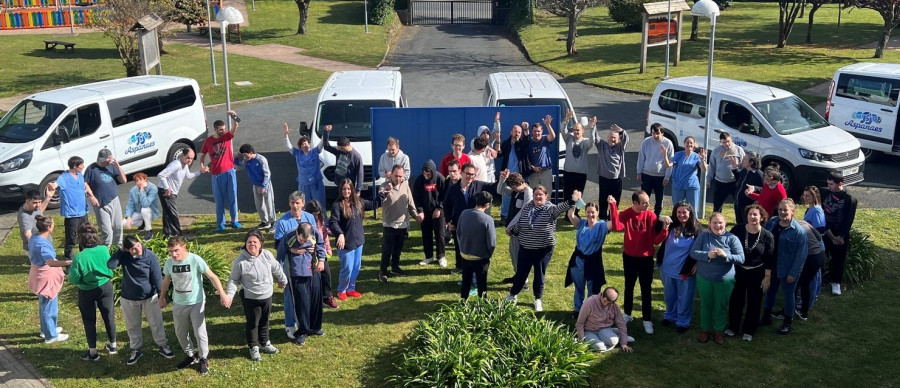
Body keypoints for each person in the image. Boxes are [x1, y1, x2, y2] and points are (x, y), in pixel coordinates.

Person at [160, 236, 231, 375]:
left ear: (184, 247)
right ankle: (191, 355)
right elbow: (166, 280)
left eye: (176, 250)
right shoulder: (169, 263)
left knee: (199, 332)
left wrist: (222, 294)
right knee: (180, 332)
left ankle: (203, 358)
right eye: (171, 251)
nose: (174, 254)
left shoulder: (195, 259)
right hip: (179, 302)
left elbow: (212, 276)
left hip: (196, 302)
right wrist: (162, 297)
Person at [505, 186, 575, 312]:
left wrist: (572, 201)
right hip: (526, 247)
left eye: (540, 194)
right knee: (521, 273)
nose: (538, 197)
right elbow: (521, 222)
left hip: (543, 249)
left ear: (546, 196)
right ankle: (513, 294)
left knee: (539, 274)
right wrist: (513, 230)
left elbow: (561, 208)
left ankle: (538, 299)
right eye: (536, 194)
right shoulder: (528, 207)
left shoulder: (550, 209)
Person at [108, 235, 175, 365]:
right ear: (127, 250)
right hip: (129, 298)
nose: (138, 250)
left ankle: (162, 345)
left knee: (156, 323)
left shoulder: (150, 256)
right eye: (133, 249)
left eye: (138, 245)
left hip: (150, 297)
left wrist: (162, 296)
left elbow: (156, 277)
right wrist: (121, 251)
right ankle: (136, 349)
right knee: (132, 326)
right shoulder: (124, 256)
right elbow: (111, 265)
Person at [608, 190, 667, 334]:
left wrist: (665, 229)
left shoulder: (650, 215)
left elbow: (655, 240)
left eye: (648, 201)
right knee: (629, 286)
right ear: (635, 203)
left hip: (646, 258)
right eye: (645, 202)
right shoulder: (627, 214)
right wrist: (613, 206)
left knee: (646, 289)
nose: (648, 204)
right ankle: (627, 314)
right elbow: (617, 226)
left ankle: (647, 319)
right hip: (629, 257)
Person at [226, 230, 287, 360]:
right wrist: (229, 296)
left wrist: (282, 280)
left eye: (255, 242)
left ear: (261, 244)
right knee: (253, 323)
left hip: (267, 295)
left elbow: (276, 268)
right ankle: (253, 347)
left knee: (265, 321)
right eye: (249, 242)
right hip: (250, 298)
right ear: (245, 244)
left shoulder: (267, 255)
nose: (252, 244)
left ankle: (265, 343)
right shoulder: (239, 262)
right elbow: (233, 280)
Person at [272, 191, 326, 338]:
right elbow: (279, 246)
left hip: (309, 265)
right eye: (292, 203)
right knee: (291, 297)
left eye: (297, 203)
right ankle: (290, 324)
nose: (295, 206)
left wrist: (318, 254)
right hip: (292, 266)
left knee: (310, 295)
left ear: (303, 203)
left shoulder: (309, 218)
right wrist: (292, 249)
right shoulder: (283, 222)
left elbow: (315, 238)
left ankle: (310, 325)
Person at [690, 213, 745, 344]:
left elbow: (741, 258)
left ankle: (718, 331)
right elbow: (693, 252)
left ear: (725, 224)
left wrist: (726, 256)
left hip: (724, 279)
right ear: (709, 224)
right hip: (705, 278)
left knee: (721, 306)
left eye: (720, 223)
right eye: (714, 223)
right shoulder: (704, 236)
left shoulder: (732, 238)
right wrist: (707, 255)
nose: (717, 225)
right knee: (706, 305)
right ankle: (705, 330)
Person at [726, 204, 775, 342]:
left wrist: (767, 277)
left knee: (754, 301)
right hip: (739, 271)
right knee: (736, 299)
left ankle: (749, 329)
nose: (752, 217)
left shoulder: (767, 236)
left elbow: (770, 259)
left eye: (755, 215)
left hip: (757, 273)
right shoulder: (737, 230)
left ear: (761, 217)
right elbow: (728, 247)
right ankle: (733, 327)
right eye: (750, 214)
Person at [69, 222, 117, 361]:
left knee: (89, 320)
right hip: (105, 287)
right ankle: (113, 345)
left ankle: (93, 352)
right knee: (109, 315)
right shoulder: (104, 250)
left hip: (86, 291)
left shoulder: (79, 257)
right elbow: (110, 267)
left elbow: (74, 279)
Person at [761, 199, 808, 335]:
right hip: (772, 266)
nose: (782, 212)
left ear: (792, 212)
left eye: (785, 210)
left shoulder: (799, 232)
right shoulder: (773, 222)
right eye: (780, 209)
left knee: (788, 296)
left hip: (787, 270)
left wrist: (793, 273)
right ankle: (766, 316)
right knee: (770, 291)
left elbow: (801, 255)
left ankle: (788, 322)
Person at [330, 179, 381, 301]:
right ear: (340, 190)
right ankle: (341, 290)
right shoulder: (337, 205)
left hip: (358, 242)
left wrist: (383, 194)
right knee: (347, 268)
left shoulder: (358, 202)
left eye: (348, 188)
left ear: (352, 189)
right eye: (344, 189)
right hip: (346, 244)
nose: (346, 191)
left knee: (356, 267)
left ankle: (351, 288)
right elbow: (333, 222)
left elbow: (374, 204)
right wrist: (340, 234)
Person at [278, 223, 327, 346]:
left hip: (314, 270)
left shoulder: (315, 232)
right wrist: (280, 276)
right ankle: (302, 331)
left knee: (316, 300)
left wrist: (321, 260)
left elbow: (321, 245)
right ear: (297, 233)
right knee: (301, 303)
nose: (303, 242)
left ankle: (315, 327)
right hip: (297, 273)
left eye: (305, 240)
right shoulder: (289, 236)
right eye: (301, 240)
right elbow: (280, 255)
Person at [656, 201, 701, 334]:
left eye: (684, 212)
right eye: (679, 212)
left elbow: (703, 248)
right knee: (669, 295)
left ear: (690, 213)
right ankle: (670, 315)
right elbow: (652, 224)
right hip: (667, 269)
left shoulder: (698, 230)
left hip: (685, 271)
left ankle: (683, 321)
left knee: (685, 297)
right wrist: (660, 218)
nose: (681, 215)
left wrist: (697, 263)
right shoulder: (669, 225)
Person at [28, 216, 70, 344]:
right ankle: (51, 336)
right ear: (48, 227)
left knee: (44, 305)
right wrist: (68, 262)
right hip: (46, 277)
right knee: (49, 306)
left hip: (38, 274)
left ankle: (45, 329)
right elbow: (50, 262)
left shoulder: (34, 237)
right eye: (53, 224)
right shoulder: (43, 245)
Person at [564, 197, 610, 316]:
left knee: (592, 288)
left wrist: (613, 205)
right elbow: (570, 215)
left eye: (593, 212)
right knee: (579, 286)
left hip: (593, 262)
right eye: (588, 212)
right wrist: (576, 201)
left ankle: (590, 310)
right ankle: (578, 309)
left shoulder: (602, 226)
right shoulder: (582, 224)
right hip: (579, 261)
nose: (590, 214)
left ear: (597, 212)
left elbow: (615, 223)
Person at [378, 165, 424, 282]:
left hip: (403, 223)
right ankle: (383, 270)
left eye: (400, 176)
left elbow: (410, 203)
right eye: (396, 176)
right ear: (391, 175)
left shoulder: (405, 186)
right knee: (387, 249)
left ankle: (395, 267)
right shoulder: (384, 186)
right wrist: (386, 192)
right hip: (389, 224)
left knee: (398, 248)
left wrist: (415, 215)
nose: (398, 178)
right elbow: (380, 200)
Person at [198, 110, 242, 232]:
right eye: (221, 129)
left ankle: (235, 221)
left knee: (233, 197)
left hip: (230, 172)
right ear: (215, 129)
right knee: (219, 200)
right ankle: (220, 223)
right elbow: (202, 156)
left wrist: (234, 116)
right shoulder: (208, 141)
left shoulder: (227, 137)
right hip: (216, 175)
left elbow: (236, 126)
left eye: (224, 129)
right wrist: (202, 166)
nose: (223, 131)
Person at [443, 163, 488, 275]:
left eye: (472, 174)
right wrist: (448, 221)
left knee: (473, 247)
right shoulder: (453, 189)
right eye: (467, 174)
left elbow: (493, 187)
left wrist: (503, 178)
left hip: (475, 224)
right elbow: (447, 205)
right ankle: (459, 266)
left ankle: (474, 269)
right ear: (461, 173)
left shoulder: (478, 186)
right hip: (459, 223)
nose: (470, 177)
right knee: (459, 246)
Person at [158, 148, 207, 238]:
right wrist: (167, 187)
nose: (190, 160)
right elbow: (161, 175)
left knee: (167, 213)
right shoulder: (176, 165)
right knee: (173, 213)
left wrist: (200, 172)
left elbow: (188, 176)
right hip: (166, 191)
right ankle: (178, 235)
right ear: (182, 155)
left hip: (172, 191)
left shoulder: (185, 165)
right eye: (188, 158)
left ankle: (167, 234)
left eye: (192, 159)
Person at [821, 173, 856, 296]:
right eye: (828, 183)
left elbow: (849, 220)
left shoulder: (849, 199)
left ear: (840, 183)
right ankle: (819, 278)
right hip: (826, 231)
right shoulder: (824, 193)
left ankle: (836, 283)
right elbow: (821, 213)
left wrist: (841, 236)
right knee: (821, 254)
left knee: (839, 259)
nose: (829, 186)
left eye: (831, 184)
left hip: (840, 233)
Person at [57, 156, 99, 260]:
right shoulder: (64, 177)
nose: (83, 166)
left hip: (83, 212)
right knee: (71, 238)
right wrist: (51, 186)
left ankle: (85, 256)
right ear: (75, 166)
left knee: (86, 235)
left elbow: (85, 185)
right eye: (81, 165)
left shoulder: (80, 175)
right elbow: (55, 184)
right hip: (72, 214)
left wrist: (92, 196)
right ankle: (69, 259)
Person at [457, 191, 496, 299]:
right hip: (480, 257)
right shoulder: (488, 219)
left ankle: (463, 302)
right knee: (481, 283)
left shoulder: (464, 213)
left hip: (464, 255)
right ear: (487, 205)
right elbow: (492, 242)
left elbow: (458, 232)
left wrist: (463, 248)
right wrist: (488, 254)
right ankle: (482, 304)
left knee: (466, 280)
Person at [496, 171, 532, 285]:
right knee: (514, 255)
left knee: (520, 256)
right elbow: (500, 191)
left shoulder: (528, 193)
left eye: (514, 187)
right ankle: (518, 276)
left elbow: (524, 212)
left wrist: (511, 227)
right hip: (513, 230)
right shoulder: (516, 191)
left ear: (521, 182)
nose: (513, 189)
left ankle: (523, 281)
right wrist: (502, 179)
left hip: (521, 231)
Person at [85, 149, 126, 246]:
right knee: (107, 231)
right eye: (102, 160)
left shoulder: (112, 167)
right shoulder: (91, 169)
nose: (103, 162)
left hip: (114, 200)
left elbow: (123, 180)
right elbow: (85, 183)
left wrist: (118, 167)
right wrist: (91, 196)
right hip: (100, 203)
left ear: (110, 158)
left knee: (118, 227)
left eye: (105, 160)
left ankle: (117, 249)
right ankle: (106, 250)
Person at [575, 287, 634, 353]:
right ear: (602, 295)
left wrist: (624, 343)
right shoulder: (589, 303)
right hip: (589, 331)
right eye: (605, 301)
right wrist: (581, 340)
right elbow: (580, 323)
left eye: (609, 303)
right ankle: (616, 335)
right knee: (600, 347)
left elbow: (621, 323)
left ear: (613, 302)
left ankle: (617, 337)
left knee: (613, 341)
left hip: (605, 329)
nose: (606, 304)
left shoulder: (614, 306)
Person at [413, 160, 447, 268]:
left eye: (428, 174)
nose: (426, 176)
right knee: (426, 234)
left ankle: (441, 256)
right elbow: (416, 197)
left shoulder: (440, 178)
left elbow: (444, 195)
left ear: (433, 172)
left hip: (438, 211)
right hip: (425, 213)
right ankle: (429, 256)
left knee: (440, 235)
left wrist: (439, 208)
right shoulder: (419, 180)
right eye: (424, 174)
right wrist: (420, 211)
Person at [284, 123, 326, 209]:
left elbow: (322, 143)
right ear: (300, 147)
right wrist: (286, 135)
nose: (304, 146)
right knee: (304, 205)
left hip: (316, 183)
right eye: (302, 144)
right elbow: (289, 147)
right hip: (303, 184)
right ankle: (306, 221)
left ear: (309, 144)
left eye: (306, 143)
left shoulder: (315, 151)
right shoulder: (297, 153)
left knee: (319, 204)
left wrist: (325, 132)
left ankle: (323, 221)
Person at [498, 114, 532, 223]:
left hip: (520, 175)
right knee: (506, 196)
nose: (517, 134)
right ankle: (504, 215)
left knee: (521, 196)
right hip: (508, 174)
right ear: (511, 132)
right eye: (515, 131)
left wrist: (526, 129)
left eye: (519, 132)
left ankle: (520, 215)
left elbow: (526, 140)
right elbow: (499, 154)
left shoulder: (522, 144)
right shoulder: (506, 143)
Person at [235, 144, 276, 231]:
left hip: (265, 185)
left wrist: (263, 186)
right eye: (243, 156)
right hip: (255, 185)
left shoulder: (261, 159)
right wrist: (236, 158)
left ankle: (273, 222)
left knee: (269, 203)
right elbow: (238, 167)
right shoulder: (247, 161)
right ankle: (264, 221)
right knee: (259, 204)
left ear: (250, 153)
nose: (244, 157)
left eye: (245, 155)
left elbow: (267, 174)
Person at [593, 121, 628, 220]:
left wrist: (621, 131)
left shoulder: (620, 147)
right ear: (608, 137)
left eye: (615, 138)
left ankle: (612, 219)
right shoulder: (602, 145)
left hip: (616, 179)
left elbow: (626, 139)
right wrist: (593, 126)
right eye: (611, 137)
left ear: (618, 139)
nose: (612, 139)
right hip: (604, 178)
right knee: (603, 201)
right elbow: (595, 137)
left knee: (615, 201)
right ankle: (603, 219)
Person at [637, 123, 673, 216]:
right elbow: (641, 157)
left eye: (657, 133)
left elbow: (671, 161)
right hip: (646, 175)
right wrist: (639, 172)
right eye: (653, 133)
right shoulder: (646, 141)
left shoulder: (668, 143)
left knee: (659, 199)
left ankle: (657, 217)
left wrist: (667, 176)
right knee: (644, 198)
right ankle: (643, 216)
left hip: (660, 176)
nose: (655, 136)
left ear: (662, 133)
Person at [663, 136, 707, 212]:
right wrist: (664, 154)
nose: (689, 144)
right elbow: (668, 165)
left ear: (694, 145)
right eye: (687, 142)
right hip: (678, 185)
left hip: (692, 186)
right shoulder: (678, 155)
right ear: (684, 144)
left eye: (691, 143)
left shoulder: (696, 156)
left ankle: (693, 223)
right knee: (678, 209)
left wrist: (703, 159)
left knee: (692, 210)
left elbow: (704, 169)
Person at [795, 218, 826, 322]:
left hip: (812, 257)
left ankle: (803, 312)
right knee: (802, 282)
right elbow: (818, 236)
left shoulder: (791, 228)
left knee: (804, 283)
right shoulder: (803, 222)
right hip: (820, 254)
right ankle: (799, 308)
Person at [560, 111, 593, 204]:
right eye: (574, 130)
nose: (575, 132)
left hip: (580, 174)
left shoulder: (585, 143)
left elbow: (592, 141)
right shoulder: (569, 139)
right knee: (567, 194)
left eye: (578, 130)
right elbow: (563, 130)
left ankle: (575, 214)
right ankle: (567, 213)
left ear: (582, 131)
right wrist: (566, 120)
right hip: (568, 173)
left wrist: (591, 128)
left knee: (578, 195)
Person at [708, 132, 745, 213]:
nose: (727, 144)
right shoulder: (716, 151)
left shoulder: (739, 150)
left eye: (728, 141)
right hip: (720, 182)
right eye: (724, 142)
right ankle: (716, 222)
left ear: (731, 139)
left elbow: (744, 166)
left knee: (739, 204)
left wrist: (738, 166)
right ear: (720, 142)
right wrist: (708, 179)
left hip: (735, 182)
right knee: (717, 206)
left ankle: (741, 223)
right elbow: (712, 166)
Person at [801, 186, 826, 308]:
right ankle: (813, 295)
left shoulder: (816, 211)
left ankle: (809, 301)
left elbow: (820, 231)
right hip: (813, 247)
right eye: (804, 195)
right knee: (816, 274)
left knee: (813, 276)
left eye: (808, 196)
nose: (805, 198)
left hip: (815, 248)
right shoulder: (810, 209)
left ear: (815, 196)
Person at [322, 124, 364, 191]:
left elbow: (360, 174)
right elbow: (326, 147)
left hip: (349, 186)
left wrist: (358, 189)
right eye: (339, 148)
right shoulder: (339, 151)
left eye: (342, 148)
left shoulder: (356, 157)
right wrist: (326, 132)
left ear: (348, 145)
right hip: (339, 184)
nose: (340, 150)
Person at [18, 186, 54, 262]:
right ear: (27, 201)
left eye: (39, 202)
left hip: (45, 243)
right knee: (42, 268)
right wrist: (38, 247)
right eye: (35, 203)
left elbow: (40, 211)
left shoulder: (34, 208)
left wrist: (48, 197)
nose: (38, 205)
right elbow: (28, 234)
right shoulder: (24, 216)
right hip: (38, 247)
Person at [123, 172, 160, 240]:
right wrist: (128, 217)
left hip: (150, 211)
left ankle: (149, 231)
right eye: (137, 180)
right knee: (124, 223)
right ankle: (142, 223)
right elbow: (130, 205)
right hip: (138, 212)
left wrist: (142, 190)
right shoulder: (133, 190)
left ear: (145, 179)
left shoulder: (153, 188)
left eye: (140, 179)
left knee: (144, 209)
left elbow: (145, 204)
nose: (139, 182)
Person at [526, 116, 557, 189]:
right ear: (532, 131)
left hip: (546, 171)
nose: (536, 133)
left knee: (547, 192)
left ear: (542, 131)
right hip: (533, 172)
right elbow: (525, 157)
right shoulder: (528, 141)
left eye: (538, 131)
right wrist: (532, 167)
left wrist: (548, 125)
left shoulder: (545, 139)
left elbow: (552, 137)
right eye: (534, 131)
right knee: (533, 193)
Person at [733, 152, 764, 225]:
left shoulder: (758, 174)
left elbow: (764, 189)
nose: (743, 160)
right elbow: (739, 179)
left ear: (751, 162)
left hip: (748, 206)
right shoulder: (744, 170)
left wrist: (754, 188)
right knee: (739, 224)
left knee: (746, 224)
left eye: (745, 158)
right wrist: (734, 168)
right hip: (738, 203)